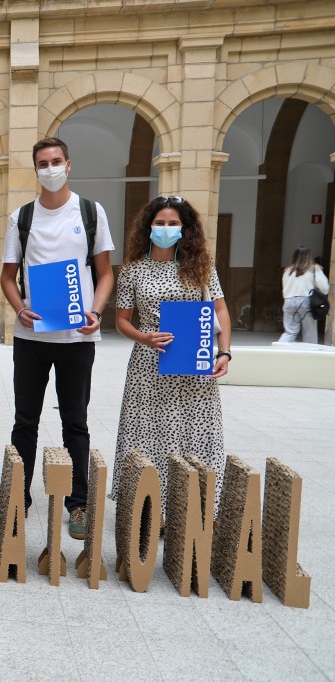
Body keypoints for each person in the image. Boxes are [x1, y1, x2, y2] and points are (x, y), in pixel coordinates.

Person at [0, 137, 115, 541]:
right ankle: (18, 499)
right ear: (35, 170)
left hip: (78, 338)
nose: (49, 168)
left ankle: (78, 503)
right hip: (32, 337)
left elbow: (105, 274)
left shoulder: (89, 212)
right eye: (42, 163)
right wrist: (19, 308)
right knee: (24, 421)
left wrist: (96, 312)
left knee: (75, 423)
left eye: (56, 161)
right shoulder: (21, 217)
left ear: (69, 164)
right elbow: (7, 277)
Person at [111, 196, 231, 516]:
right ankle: (150, 511)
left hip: (193, 359)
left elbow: (219, 309)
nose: (166, 229)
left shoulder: (201, 265)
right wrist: (143, 337)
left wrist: (225, 352)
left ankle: (194, 510)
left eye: (173, 223)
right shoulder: (133, 270)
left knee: (194, 429)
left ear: (185, 228)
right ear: (148, 227)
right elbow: (121, 320)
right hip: (148, 361)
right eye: (160, 223)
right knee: (149, 431)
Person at [278, 246, 329, 345]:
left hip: (288, 301)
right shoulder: (314, 268)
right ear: (309, 256)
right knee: (310, 333)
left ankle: (278, 350)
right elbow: (324, 288)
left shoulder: (288, 270)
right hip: (306, 301)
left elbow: (285, 288)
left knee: (290, 332)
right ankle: (310, 356)